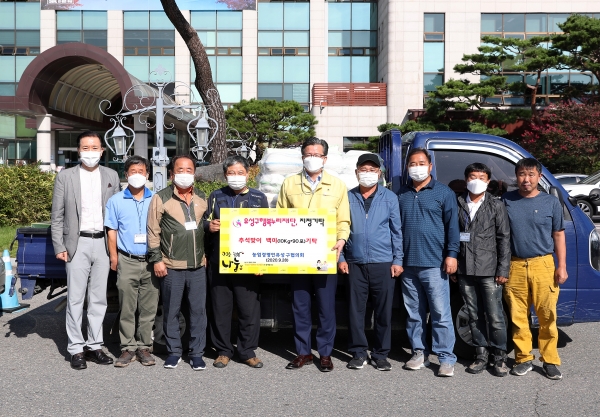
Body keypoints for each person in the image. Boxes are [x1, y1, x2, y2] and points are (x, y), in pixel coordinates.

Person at [276, 137, 350, 372]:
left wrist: (341, 240)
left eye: (317, 155)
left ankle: (325, 353)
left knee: (326, 307)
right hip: (298, 256)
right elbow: (280, 217)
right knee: (300, 306)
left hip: (326, 255)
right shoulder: (289, 184)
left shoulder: (337, 185)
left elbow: (343, 220)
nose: (312, 159)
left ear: (325, 158)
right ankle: (303, 352)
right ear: (302, 157)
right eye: (309, 154)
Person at [51, 131, 120, 370]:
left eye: (95, 147)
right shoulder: (66, 176)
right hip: (76, 243)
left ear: (102, 150)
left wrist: (115, 249)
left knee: (99, 298)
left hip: (102, 243)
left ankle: (94, 345)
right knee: (76, 298)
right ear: (78, 151)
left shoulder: (111, 175)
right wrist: (59, 245)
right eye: (85, 148)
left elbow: (116, 214)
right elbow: (57, 214)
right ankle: (76, 349)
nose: (90, 152)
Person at [502, 158, 567, 380]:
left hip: (544, 264)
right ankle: (523, 358)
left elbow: (558, 234)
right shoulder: (506, 200)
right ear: (516, 177)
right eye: (521, 174)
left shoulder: (551, 203)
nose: (526, 179)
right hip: (515, 265)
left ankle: (549, 360)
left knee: (547, 316)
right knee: (518, 316)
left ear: (540, 177)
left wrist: (562, 267)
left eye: (531, 174)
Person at [397, 147, 459, 377]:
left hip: (435, 264)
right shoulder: (401, 193)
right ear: (407, 167)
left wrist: (451, 254)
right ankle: (418, 353)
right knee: (414, 313)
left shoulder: (444, 193)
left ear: (430, 166)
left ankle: (445, 358)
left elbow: (453, 227)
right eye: (412, 164)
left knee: (440, 313)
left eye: (421, 163)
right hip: (408, 264)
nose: (417, 167)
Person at [338, 153, 403, 371]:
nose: (368, 174)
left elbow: (397, 232)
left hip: (383, 262)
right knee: (355, 311)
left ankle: (381, 354)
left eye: (372, 170)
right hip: (354, 262)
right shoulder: (347, 197)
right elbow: (340, 229)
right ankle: (358, 352)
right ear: (356, 173)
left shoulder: (389, 198)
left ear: (380, 174)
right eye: (363, 170)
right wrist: (341, 257)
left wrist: (397, 260)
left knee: (383, 311)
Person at [204, 156, 269, 369]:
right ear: (225, 175)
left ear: (248, 173)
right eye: (231, 173)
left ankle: (247, 351)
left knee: (248, 309)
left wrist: (262, 262)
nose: (236, 177)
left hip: (249, 264)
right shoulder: (216, 196)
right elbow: (205, 220)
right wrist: (209, 226)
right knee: (220, 309)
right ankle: (223, 351)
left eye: (240, 173)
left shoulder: (259, 198)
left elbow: (267, 231)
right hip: (219, 261)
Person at [147, 155, 209, 370]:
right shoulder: (161, 198)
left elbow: (203, 229)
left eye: (189, 169)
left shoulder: (202, 197)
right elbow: (153, 232)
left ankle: (197, 353)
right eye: (180, 170)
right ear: (172, 174)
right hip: (171, 266)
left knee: (198, 312)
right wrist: (157, 260)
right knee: (171, 311)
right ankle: (174, 352)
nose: (185, 174)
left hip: (198, 267)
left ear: (194, 172)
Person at [452, 163, 511, 376]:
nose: (477, 180)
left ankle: (499, 357)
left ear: (488, 181)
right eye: (473, 176)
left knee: (495, 316)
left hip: (489, 269)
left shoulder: (496, 205)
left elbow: (504, 238)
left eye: (482, 177)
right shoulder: (457, 203)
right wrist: (453, 266)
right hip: (465, 269)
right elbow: (451, 235)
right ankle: (480, 355)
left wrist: (503, 269)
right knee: (473, 314)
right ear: (466, 179)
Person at [104, 155, 158, 368]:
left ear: (148, 174)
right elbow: (111, 231)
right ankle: (127, 348)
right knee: (127, 306)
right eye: (133, 172)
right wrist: (114, 257)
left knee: (148, 307)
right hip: (127, 259)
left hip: (151, 260)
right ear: (126, 175)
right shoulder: (115, 201)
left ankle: (144, 347)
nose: (137, 175)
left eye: (141, 172)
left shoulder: (155, 199)